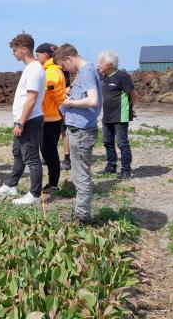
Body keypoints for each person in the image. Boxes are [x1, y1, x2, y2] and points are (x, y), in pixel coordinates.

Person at [0, 33, 46, 205]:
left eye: (15, 50)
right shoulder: (30, 68)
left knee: (32, 158)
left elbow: (31, 99)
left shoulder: (34, 69)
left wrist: (20, 123)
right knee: (18, 154)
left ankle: (35, 195)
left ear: (24, 49)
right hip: (24, 120)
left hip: (29, 121)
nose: (13, 53)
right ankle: (11, 185)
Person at [54, 43, 102, 223]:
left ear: (68, 58)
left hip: (82, 131)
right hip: (79, 129)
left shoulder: (87, 71)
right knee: (79, 173)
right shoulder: (84, 72)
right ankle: (81, 212)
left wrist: (71, 103)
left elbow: (93, 100)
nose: (65, 70)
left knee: (81, 174)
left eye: (64, 66)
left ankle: (82, 217)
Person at [97, 49, 138, 180]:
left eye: (101, 62)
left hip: (120, 115)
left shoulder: (122, 76)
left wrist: (130, 108)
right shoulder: (103, 77)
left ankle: (126, 171)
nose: (99, 65)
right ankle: (111, 167)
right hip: (107, 116)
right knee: (107, 142)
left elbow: (133, 94)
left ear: (109, 64)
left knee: (122, 143)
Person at [35, 43, 67, 192]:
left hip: (50, 118)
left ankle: (53, 184)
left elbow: (58, 95)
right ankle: (53, 182)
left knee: (49, 152)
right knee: (48, 151)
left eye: (38, 55)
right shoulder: (53, 70)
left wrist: (64, 110)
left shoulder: (51, 73)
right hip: (51, 117)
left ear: (46, 55)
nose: (37, 57)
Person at [61, 70, 72, 170]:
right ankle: (48, 155)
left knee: (64, 131)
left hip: (62, 98)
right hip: (50, 102)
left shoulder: (63, 66)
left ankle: (67, 157)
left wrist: (70, 87)